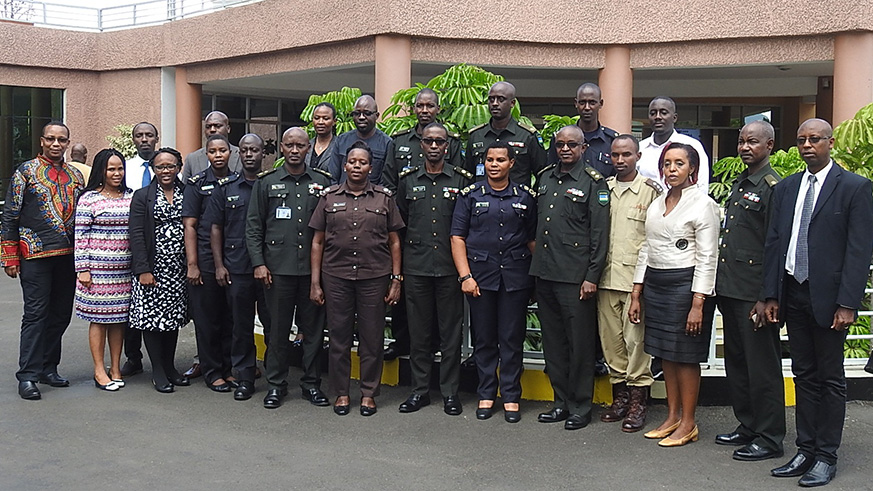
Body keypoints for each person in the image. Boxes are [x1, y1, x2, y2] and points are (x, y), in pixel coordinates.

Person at [761, 119, 873, 487]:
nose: (807, 145)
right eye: (801, 140)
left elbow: (859, 251)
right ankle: (805, 449)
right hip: (793, 291)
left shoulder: (855, 188)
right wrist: (771, 295)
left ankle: (827, 456)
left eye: (815, 139)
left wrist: (848, 303)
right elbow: (775, 243)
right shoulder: (788, 188)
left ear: (831, 142)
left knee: (831, 379)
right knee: (803, 375)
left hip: (830, 299)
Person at [628, 142, 719, 447]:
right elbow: (646, 248)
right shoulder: (657, 203)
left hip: (687, 285)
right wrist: (637, 291)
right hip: (657, 283)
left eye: (679, 163)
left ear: (692, 168)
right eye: (667, 163)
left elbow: (708, 256)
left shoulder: (702, 204)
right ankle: (672, 417)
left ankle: (689, 423)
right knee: (665, 354)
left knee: (685, 356)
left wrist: (698, 303)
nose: (672, 169)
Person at [310, 141, 404, 417]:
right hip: (336, 276)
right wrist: (315, 282)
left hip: (373, 276)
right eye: (352, 162)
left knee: (371, 338)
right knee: (338, 338)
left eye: (362, 163)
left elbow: (395, 242)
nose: (357, 167)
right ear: (344, 165)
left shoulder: (384, 198)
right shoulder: (328, 197)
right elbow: (317, 242)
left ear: (370, 168)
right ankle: (341, 393)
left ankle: (368, 393)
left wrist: (396, 279)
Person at [714, 121, 786, 461]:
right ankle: (748, 424)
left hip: (754, 293)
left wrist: (767, 296)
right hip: (731, 288)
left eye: (753, 142)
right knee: (738, 364)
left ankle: (770, 437)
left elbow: (776, 246)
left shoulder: (773, 187)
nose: (745, 147)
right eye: (742, 141)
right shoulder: (741, 183)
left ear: (769, 145)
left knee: (763, 369)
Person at [451, 141, 537, 423]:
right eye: (490, 160)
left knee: (511, 339)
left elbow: (532, 240)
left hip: (515, 276)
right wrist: (465, 276)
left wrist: (537, 276)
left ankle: (511, 395)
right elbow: (457, 237)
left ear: (512, 163)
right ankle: (486, 393)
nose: (494, 164)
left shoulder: (525, 196)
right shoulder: (470, 195)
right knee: (484, 340)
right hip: (480, 277)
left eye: (501, 159)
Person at [531, 125, 609, 430]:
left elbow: (599, 234)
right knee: (554, 344)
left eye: (571, 145)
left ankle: (580, 405)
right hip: (546, 273)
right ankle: (560, 402)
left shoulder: (593, 183)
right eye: (560, 144)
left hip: (576, 278)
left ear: (583, 148)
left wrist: (592, 276)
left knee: (579, 346)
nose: (565, 149)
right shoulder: (546, 177)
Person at [247, 127, 332, 409]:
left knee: (313, 332)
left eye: (300, 146)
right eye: (290, 145)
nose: (295, 150)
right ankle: (276, 384)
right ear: (281, 148)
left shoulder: (323, 183)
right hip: (277, 271)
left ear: (309, 148)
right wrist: (259, 264)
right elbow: (254, 227)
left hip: (312, 273)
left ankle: (311, 384)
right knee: (278, 332)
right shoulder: (266, 182)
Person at [2, 121, 84, 400]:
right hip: (34, 255)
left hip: (68, 257)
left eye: (62, 140)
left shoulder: (75, 176)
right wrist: (9, 255)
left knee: (61, 315)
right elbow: (10, 215)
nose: (56, 144)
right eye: (51, 139)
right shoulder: (25, 172)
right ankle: (28, 375)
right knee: (36, 315)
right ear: (42, 141)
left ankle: (49, 367)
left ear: (68, 142)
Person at [394, 122, 472, 416]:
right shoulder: (408, 180)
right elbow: (398, 229)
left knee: (451, 333)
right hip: (417, 268)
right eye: (429, 141)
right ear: (422, 145)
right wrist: (398, 274)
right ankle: (419, 391)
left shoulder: (461, 180)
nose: (435, 146)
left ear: (447, 146)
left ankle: (450, 392)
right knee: (420, 333)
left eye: (440, 142)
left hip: (450, 270)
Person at [596, 135, 661, 432]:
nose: (620, 160)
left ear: (637, 156)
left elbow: (652, 241)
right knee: (612, 343)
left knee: (637, 344)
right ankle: (619, 397)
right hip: (605, 279)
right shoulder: (602, 188)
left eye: (626, 155)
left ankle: (637, 402)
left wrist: (640, 288)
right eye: (615, 155)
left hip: (634, 281)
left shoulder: (650, 192)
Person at [206, 134, 274, 401]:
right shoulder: (227, 187)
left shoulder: (271, 185)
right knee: (240, 326)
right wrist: (219, 265)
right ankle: (245, 377)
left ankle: (274, 375)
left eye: (254, 150)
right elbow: (215, 229)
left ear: (262, 154)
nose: (249, 155)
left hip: (268, 268)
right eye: (244, 150)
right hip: (236, 268)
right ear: (238, 154)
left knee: (273, 325)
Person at [128, 147, 190, 393]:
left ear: (179, 168)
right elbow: (136, 234)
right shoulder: (142, 196)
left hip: (178, 268)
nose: (166, 171)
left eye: (171, 166)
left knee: (172, 319)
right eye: (161, 167)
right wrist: (143, 269)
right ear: (153, 169)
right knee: (153, 320)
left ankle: (170, 367)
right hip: (153, 268)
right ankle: (158, 371)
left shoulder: (188, 192)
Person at [74, 148, 134, 391]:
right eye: (111, 169)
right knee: (99, 320)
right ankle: (99, 370)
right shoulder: (89, 198)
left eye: (120, 168)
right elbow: (80, 236)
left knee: (118, 320)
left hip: (124, 272)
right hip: (96, 272)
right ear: (101, 170)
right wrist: (83, 269)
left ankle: (116, 368)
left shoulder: (131, 196)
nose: (116, 173)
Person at [183, 134, 235, 392]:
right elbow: (190, 225)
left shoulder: (237, 181)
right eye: (212, 151)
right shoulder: (196, 184)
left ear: (230, 152)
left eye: (222, 150)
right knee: (207, 318)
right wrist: (192, 264)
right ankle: (213, 371)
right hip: (204, 257)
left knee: (229, 316)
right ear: (206, 154)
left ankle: (228, 368)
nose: (218, 155)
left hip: (231, 256)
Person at [121, 121, 160, 378]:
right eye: (139, 136)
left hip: (161, 246)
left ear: (156, 138)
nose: (144, 139)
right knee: (131, 304)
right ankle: (133, 356)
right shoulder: (124, 167)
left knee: (159, 303)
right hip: (129, 241)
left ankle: (162, 360)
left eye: (149, 135)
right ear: (133, 140)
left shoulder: (169, 166)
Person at [464, 81, 547, 186]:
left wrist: (530, 198)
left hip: (517, 200)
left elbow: (542, 174)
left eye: (501, 99)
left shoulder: (527, 136)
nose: (495, 103)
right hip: (481, 199)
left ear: (512, 103)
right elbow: (468, 174)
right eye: (491, 99)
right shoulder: (476, 136)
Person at [382, 88, 464, 190]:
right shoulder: (399, 141)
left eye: (430, 106)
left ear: (438, 109)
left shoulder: (451, 142)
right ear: (414, 109)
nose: (424, 111)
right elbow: (388, 181)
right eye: (420, 106)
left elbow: (459, 179)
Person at [546, 83, 619, 178]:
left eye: (592, 103)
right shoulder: (561, 138)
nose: (587, 107)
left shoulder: (611, 140)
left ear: (600, 104)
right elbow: (550, 173)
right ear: (576, 103)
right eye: (582, 102)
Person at [638, 97, 710, 191]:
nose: (658, 117)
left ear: (674, 118)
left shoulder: (692, 146)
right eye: (653, 113)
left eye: (664, 113)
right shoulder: (640, 148)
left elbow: (702, 184)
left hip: (684, 204)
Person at [328, 95, 395, 185]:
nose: (361, 117)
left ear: (377, 115)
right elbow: (332, 176)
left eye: (367, 113)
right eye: (357, 113)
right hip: (342, 196)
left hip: (373, 197)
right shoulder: (342, 140)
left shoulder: (387, 143)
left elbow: (386, 180)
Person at [182, 111, 243, 181]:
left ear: (228, 129)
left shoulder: (241, 155)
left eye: (218, 126)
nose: (212, 130)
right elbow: (185, 189)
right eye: (208, 127)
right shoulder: (192, 159)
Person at [306, 102, 337, 172]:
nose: (320, 122)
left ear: (334, 121)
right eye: (316, 118)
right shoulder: (306, 145)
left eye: (325, 118)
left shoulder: (339, 146)